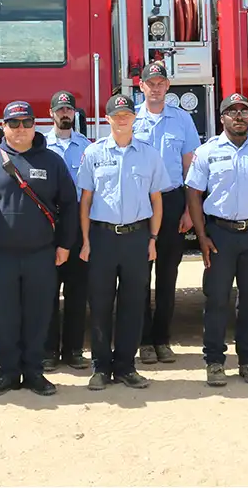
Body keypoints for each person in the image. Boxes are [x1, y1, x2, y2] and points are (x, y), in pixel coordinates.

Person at [0, 100, 78, 397]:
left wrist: (65, 245)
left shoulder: (52, 161)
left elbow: (68, 206)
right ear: (3, 127)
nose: (20, 129)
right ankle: (8, 373)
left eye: (26, 123)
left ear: (34, 125)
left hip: (40, 255)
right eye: (13, 123)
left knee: (38, 315)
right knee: (3, 317)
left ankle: (34, 373)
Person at [185, 93, 248, 387]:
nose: (239, 116)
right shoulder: (207, 152)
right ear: (222, 118)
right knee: (216, 301)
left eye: (243, 111)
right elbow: (193, 193)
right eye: (232, 112)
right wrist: (201, 236)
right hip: (220, 236)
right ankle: (214, 362)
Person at [78, 93, 169, 390]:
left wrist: (153, 238)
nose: (121, 119)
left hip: (137, 238)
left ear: (134, 118)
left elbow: (157, 200)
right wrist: (86, 241)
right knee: (101, 304)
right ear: (107, 119)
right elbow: (85, 201)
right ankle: (101, 368)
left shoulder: (149, 154)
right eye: (116, 115)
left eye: (126, 114)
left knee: (133, 304)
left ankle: (126, 367)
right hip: (102, 238)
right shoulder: (93, 153)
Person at [134, 61, 202, 365]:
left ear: (168, 86)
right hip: (139, 204)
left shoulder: (182, 120)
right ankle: (143, 341)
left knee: (167, 275)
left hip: (173, 201)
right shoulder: (131, 119)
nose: (156, 87)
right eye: (151, 83)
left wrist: (189, 209)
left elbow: (190, 166)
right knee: (138, 276)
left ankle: (162, 339)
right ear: (142, 86)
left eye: (161, 82)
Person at [43, 90, 91, 371]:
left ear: (75, 114)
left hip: (77, 223)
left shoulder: (86, 146)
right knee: (48, 290)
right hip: (49, 226)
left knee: (77, 291)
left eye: (69, 110)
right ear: (51, 113)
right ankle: (48, 351)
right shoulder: (41, 147)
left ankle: (73, 350)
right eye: (60, 109)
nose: (65, 114)